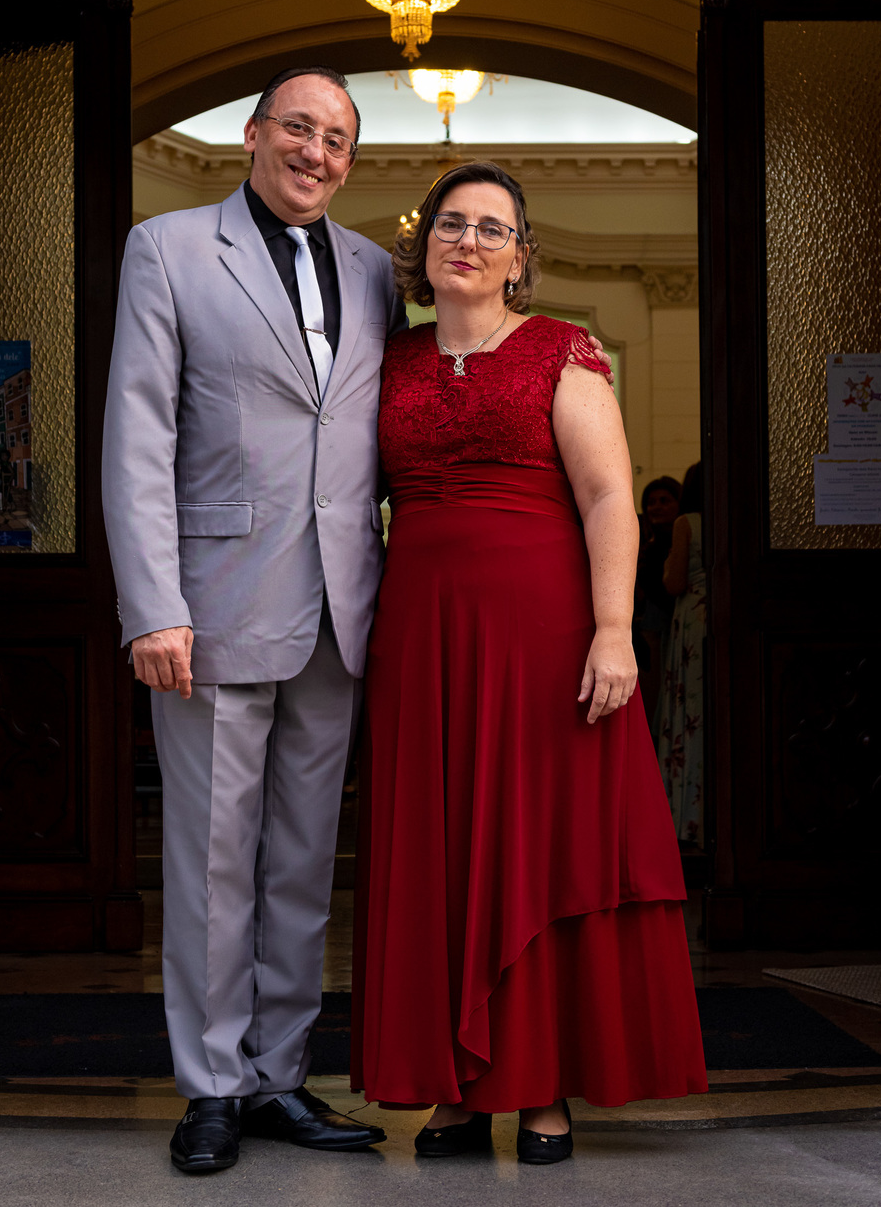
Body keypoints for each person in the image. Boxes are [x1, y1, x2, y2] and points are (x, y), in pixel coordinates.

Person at [352, 161, 706, 1165]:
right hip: (420, 638)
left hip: (547, 633)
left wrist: (611, 628)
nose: (468, 239)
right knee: (442, 848)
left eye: (492, 228)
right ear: (423, 250)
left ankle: (540, 1085)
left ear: (521, 258)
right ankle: (453, 1092)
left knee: (536, 846)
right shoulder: (391, 359)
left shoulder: (562, 352)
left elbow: (606, 498)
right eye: (450, 224)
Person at [100, 66, 408, 1175]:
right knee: (213, 860)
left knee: (299, 862)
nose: (317, 153)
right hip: (211, 608)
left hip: (340, 608)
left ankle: (280, 1075)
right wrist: (154, 605)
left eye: (338, 139)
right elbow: (136, 435)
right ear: (252, 133)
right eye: (300, 128)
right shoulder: (170, 247)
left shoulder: (377, 270)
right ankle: (212, 1085)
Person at [657, 461, 707, 848]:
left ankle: (686, 819)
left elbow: (674, 583)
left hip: (692, 618)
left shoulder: (686, 523)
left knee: (688, 712)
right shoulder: (738, 517)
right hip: (720, 616)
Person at [634, 475, 682, 724]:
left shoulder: (686, 542)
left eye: (665, 500)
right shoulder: (643, 544)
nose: (657, 507)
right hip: (652, 634)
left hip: (675, 628)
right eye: (651, 502)